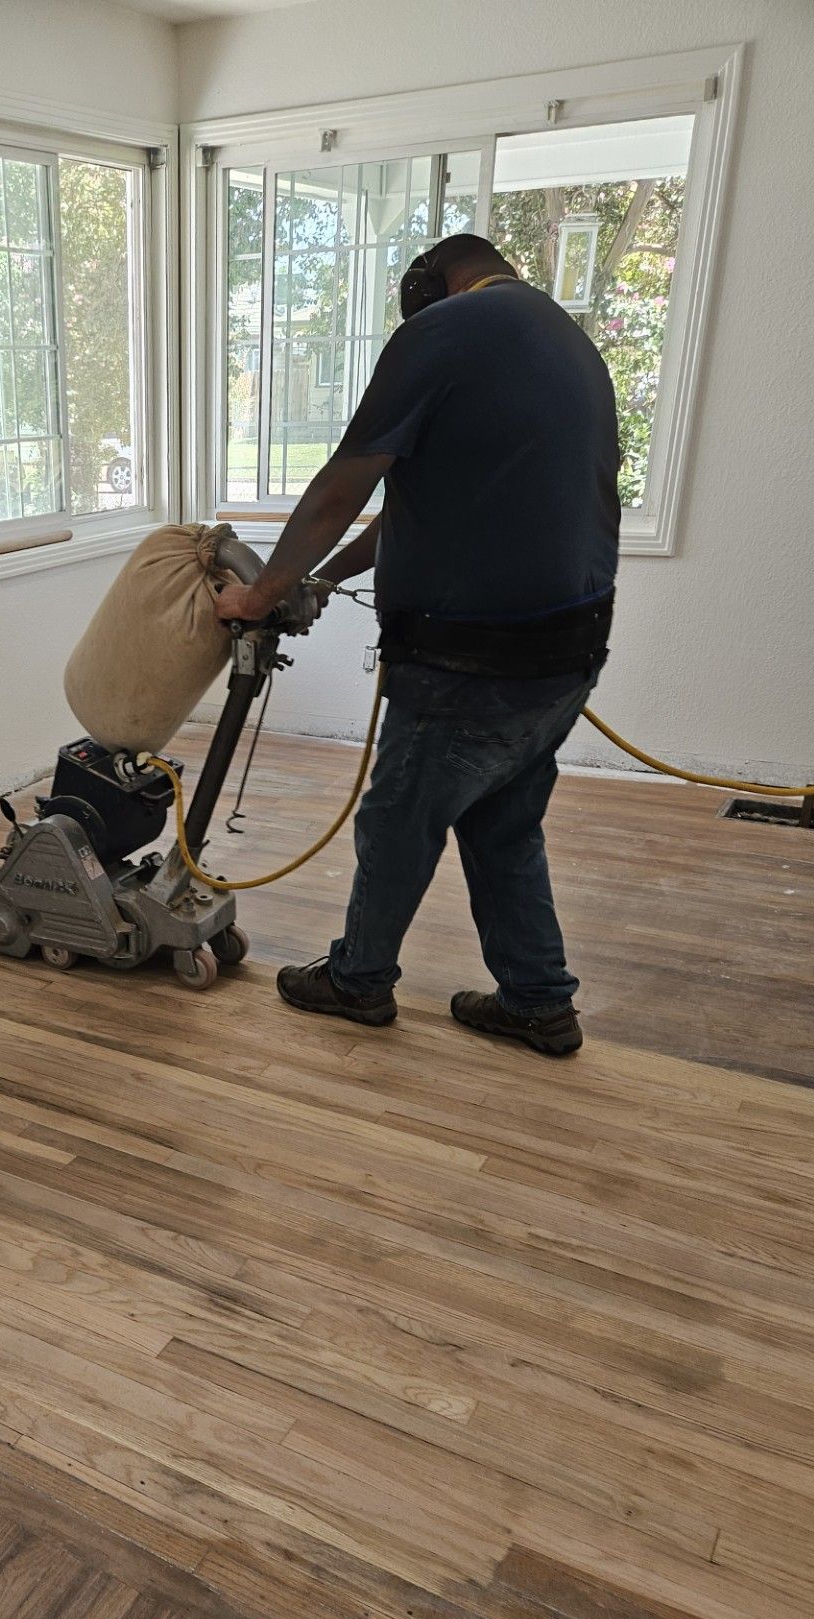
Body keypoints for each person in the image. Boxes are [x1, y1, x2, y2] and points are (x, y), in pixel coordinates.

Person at [215, 232, 619, 1056]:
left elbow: (343, 484)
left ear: (428, 287)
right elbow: (415, 504)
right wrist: (319, 579)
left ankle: (358, 981)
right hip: (566, 650)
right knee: (503, 825)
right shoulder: (564, 337)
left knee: (399, 820)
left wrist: (259, 593)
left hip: (473, 660)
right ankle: (538, 1000)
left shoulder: (440, 333)